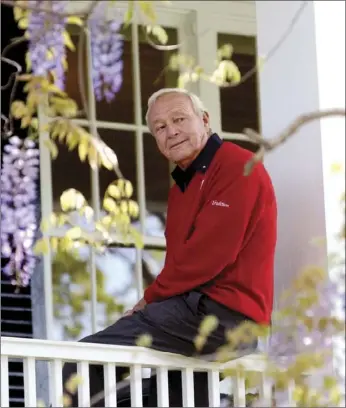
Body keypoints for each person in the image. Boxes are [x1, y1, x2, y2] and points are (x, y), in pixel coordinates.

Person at [62, 88, 277, 407]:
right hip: (195, 316)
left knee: (84, 364)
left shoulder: (236, 164)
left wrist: (148, 299)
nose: (171, 131)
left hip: (222, 315)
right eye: (160, 127)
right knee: (164, 398)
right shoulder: (181, 191)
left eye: (179, 119)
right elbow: (183, 264)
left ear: (204, 121)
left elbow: (208, 256)